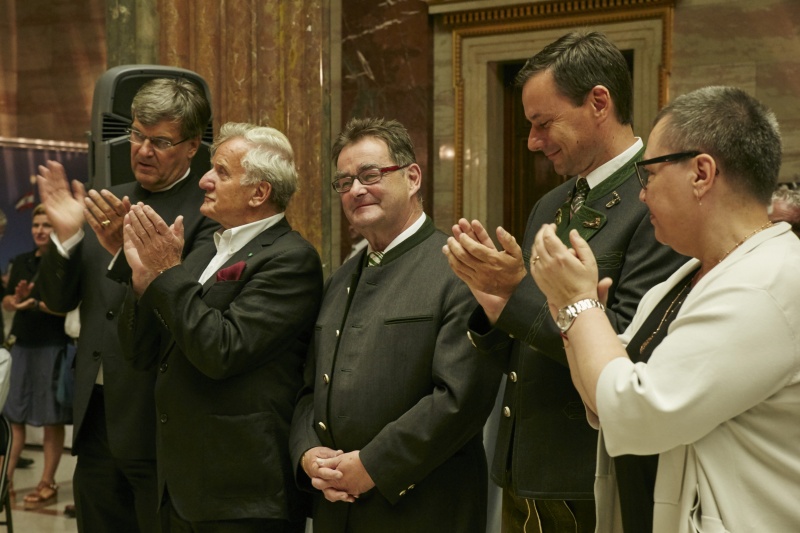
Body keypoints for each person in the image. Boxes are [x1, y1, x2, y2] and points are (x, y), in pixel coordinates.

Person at [442, 31, 686, 533]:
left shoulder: (656, 202)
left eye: (543, 123)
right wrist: (491, 304)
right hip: (522, 467)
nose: (533, 141)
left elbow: (629, 346)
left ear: (599, 102)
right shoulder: (550, 205)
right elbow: (525, 339)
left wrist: (513, 295)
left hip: (587, 476)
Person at [531, 85, 800, 532]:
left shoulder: (766, 283)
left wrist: (579, 304)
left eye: (649, 174)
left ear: (701, 173)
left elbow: (638, 413)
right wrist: (571, 312)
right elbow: (603, 394)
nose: (642, 194)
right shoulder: (685, 278)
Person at [290, 117, 501, 533]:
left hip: (425, 509)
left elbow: (460, 399)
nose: (355, 190)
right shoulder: (338, 281)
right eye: (344, 181)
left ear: (413, 177)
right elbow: (307, 390)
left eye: (370, 175)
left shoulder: (458, 268)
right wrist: (307, 455)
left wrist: (371, 465)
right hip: (338, 509)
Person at [118, 123, 322, 531]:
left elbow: (222, 351)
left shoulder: (290, 259)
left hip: (241, 492)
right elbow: (141, 352)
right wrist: (142, 283)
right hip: (181, 482)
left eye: (221, 172)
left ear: (259, 192)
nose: (205, 180)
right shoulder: (200, 253)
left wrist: (167, 273)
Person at [35, 77, 218, 532]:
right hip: (95, 419)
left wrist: (122, 254)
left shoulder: (206, 213)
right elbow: (57, 303)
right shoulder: (108, 197)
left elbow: (183, 313)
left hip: (157, 421)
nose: (142, 150)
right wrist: (66, 237)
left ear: (193, 145)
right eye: (137, 135)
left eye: (160, 141)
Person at [1, 204, 71, 509]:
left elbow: (66, 305)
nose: (40, 230)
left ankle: (47, 482)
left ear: (56, 228)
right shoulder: (20, 261)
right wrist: (15, 300)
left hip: (52, 345)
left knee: (50, 420)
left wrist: (34, 304)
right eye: (36, 225)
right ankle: (5, 482)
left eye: (46, 224)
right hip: (22, 345)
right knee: (12, 417)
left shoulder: (64, 262)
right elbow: (6, 302)